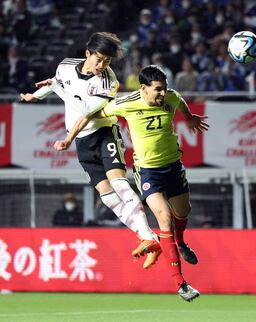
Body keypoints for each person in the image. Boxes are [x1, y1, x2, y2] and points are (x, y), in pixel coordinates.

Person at [53, 65, 209, 302]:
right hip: (148, 172)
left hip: (174, 166)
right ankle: (181, 284)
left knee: (183, 211)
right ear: (143, 88)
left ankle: (181, 241)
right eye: (157, 90)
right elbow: (92, 113)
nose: (161, 94)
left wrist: (189, 118)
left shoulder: (171, 97)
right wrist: (69, 137)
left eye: (164, 89)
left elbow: (180, 102)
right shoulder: (125, 103)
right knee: (164, 218)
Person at [19, 32, 160, 269]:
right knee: (108, 199)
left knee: (120, 184)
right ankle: (149, 238)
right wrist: (35, 95)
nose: (102, 65)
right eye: (99, 59)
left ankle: (147, 235)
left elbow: (87, 114)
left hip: (104, 135)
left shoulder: (108, 82)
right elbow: (56, 82)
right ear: (87, 54)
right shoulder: (65, 66)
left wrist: (66, 139)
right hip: (83, 143)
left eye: (107, 61)